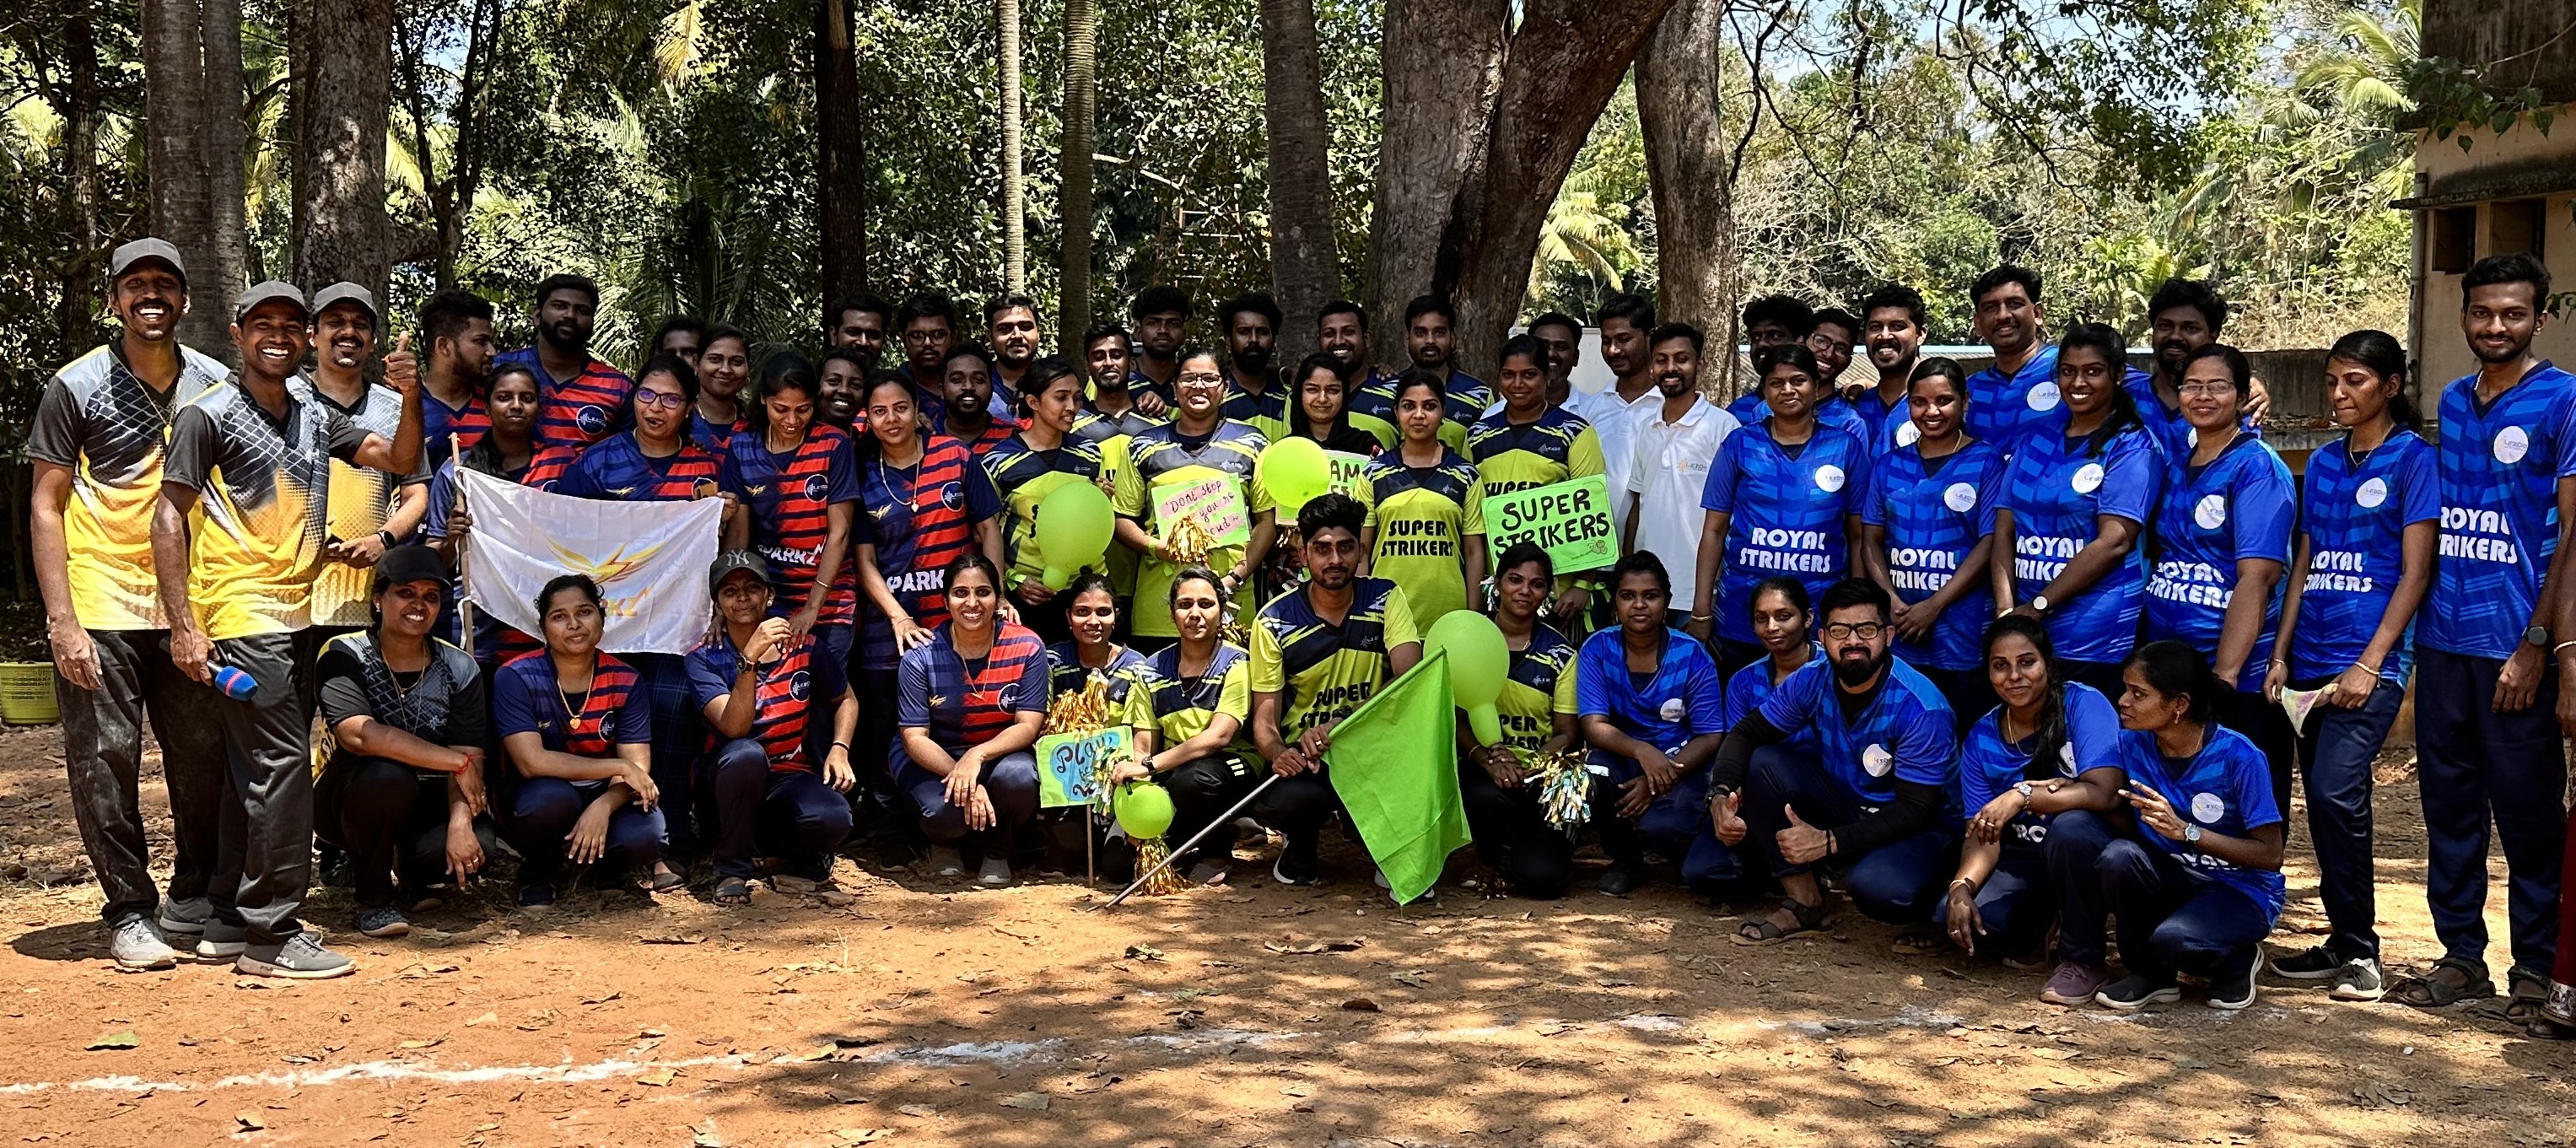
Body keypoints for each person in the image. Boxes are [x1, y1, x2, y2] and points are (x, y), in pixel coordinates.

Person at [153, 279, 423, 978]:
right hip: (245, 612)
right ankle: (273, 934)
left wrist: (411, 390)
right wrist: (184, 626)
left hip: (300, 610)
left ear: (304, 338)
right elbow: (166, 517)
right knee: (282, 770)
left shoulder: (310, 410)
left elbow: (397, 461)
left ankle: (227, 918)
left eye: (290, 325)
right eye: (262, 323)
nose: (278, 334)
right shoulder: (204, 414)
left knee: (258, 771)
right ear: (238, 333)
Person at [29, 237, 232, 969]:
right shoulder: (75, 386)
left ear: (183, 299)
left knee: (203, 757)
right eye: (136, 284)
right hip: (101, 602)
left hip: (191, 604)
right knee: (104, 760)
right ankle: (129, 909)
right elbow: (46, 507)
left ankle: (194, 894)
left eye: (165, 284)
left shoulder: (216, 384)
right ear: (114, 299)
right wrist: (62, 622)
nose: (151, 295)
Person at [2401, 252, 2571, 1017]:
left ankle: (2536, 965)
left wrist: (2539, 644)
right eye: (2481, 313)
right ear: (2465, 316)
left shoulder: (2564, 399)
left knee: (2531, 812)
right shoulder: (2452, 399)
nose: (2494, 326)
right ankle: (2462, 956)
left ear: (2539, 317)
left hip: (2515, 647)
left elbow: (2572, 533)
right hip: (2443, 642)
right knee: (2451, 807)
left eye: (2511, 313)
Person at [2260, 330, 2433, 1002]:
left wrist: (2371, 661)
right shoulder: (2326, 464)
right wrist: (2279, 652)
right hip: (2306, 662)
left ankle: (2363, 951)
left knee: (2336, 791)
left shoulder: (2417, 461)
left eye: (2355, 381)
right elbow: (2302, 564)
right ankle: (2340, 940)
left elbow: (2415, 574)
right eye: (2333, 381)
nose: (2338, 393)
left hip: (2369, 666)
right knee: (2324, 805)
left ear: (2391, 386)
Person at [1707, 579, 1957, 946]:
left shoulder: (1921, 706)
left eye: (1866, 630)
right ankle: (1805, 901)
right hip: (1850, 804)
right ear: (1823, 637)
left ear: (1888, 635)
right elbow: (1746, 734)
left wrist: (1827, 842)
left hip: (1922, 826)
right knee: (1764, 762)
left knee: (1878, 890)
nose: (1853, 641)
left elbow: (1916, 809)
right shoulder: (1812, 678)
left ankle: (1937, 906)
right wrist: (1718, 795)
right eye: (1840, 631)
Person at [554, 354, 725, 878]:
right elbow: (563, 528)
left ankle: (665, 841)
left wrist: (725, 520)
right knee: (610, 731)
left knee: (673, 724)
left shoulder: (705, 467)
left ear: (689, 407)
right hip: (611, 629)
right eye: (647, 395)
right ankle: (600, 846)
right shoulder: (601, 461)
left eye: (672, 398)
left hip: (677, 629)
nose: (657, 408)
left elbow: (725, 543)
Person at [2078, 642, 2285, 1011]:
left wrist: (2187, 832)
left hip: (2238, 890)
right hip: (2173, 875)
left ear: (2179, 705)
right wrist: (2035, 791)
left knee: (2175, 941)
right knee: (2118, 857)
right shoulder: (2131, 743)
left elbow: (2270, 855)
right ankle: (2151, 975)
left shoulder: (2240, 756)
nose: (2123, 701)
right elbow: (2099, 792)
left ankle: (2237, 961)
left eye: (2138, 694)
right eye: (2126, 689)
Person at [2142, 343, 2297, 812]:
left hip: (2234, 681)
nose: (2203, 396)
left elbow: (2257, 577)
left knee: (2244, 804)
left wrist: (2224, 679)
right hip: (2174, 671)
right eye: (2193, 386)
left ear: (2242, 394)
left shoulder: (2256, 467)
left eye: (2218, 386)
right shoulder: (2176, 461)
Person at [311, 547, 492, 939]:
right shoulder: (345, 653)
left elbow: (469, 755)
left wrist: (461, 821)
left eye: (430, 596)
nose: (418, 605)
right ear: (378, 600)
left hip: (429, 796)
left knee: (484, 845)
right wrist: (456, 764)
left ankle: (412, 876)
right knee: (386, 776)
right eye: (405, 593)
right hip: (349, 795)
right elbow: (359, 734)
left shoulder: (459, 666)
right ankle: (372, 900)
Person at [1943, 615, 2125, 1002]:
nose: (2014, 676)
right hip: (2026, 856)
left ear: (2047, 662)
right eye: (2000, 665)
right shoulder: (1982, 736)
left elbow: (2106, 792)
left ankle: (2084, 959)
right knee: (1962, 916)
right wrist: (1961, 886)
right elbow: (1982, 832)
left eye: (2027, 662)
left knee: (2071, 826)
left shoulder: (2083, 703)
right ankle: (2045, 920)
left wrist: (2021, 796)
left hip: (2090, 849)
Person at [1249, 493, 1423, 887]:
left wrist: (1344, 721)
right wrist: (1280, 755)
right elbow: (1265, 721)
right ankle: (1301, 841)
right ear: (1303, 552)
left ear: (1360, 550)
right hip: (1310, 757)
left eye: (1346, 548)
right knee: (1292, 800)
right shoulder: (1273, 620)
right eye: (1322, 549)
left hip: (1374, 754)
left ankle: (1376, 839)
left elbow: (1409, 678)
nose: (1335, 560)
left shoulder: (1385, 596)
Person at [1990, 323, 2161, 698]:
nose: (2078, 382)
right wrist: (2008, 615)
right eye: (2068, 371)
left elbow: (2114, 542)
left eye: (2093, 371)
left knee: (2082, 743)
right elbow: (2004, 527)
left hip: (2094, 634)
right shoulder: (2036, 438)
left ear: (2118, 375)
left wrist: (2038, 606)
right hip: (2026, 634)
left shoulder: (2132, 445)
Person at [853, 373, 1005, 785]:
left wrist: (999, 595)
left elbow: (988, 529)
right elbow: (863, 560)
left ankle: (960, 804)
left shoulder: (954, 455)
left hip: (955, 616)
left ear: (918, 410)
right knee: (886, 719)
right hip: (891, 624)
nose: (892, 419)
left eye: (901, 408)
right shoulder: (862, 473)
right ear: (867, 419)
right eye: (879, 412)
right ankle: (893, 817)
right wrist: (898, 618)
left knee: (953, 710)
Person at [1690, 342, 1870, 676]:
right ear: (1764, 390)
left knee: (1816, 711)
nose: (1787, 390)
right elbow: (1714, 531)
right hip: (1744, 610)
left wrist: (1856, 608)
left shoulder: (1845, 447)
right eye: (1776, 382)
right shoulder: (1740, 444)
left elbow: (1859, 536)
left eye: (1798, 380)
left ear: (1816, 386)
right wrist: (1702, 610)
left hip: (1819, 610)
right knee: (1743, 709)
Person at [688, 552, 858, 905]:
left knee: (834, 817)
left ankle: (780, 856)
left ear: (769, 596)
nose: (742, 597)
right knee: (746, 754)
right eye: (730, 591)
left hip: (787, 777)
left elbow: (846, 699)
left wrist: (839, 748)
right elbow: (735, 728)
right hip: (726, 781)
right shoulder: (703, 657)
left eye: (753, 588)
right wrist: (749, 659)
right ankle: (731, 868)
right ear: (717, 604)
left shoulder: (804, 646)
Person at [493, 574, 667, 906]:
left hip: (604, 793)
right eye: (559, 617)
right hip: (541, 793)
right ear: (544, 627)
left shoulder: (625, 679)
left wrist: (603, 805)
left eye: (584, 612)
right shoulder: (516, 676)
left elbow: (638, 768)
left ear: (601, 616)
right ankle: (538, 872)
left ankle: (606, 868)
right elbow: (532, 762)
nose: (574, 625)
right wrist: (618, 766)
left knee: (649, 833)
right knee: (551, 800)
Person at [1860, 358, 2003, 725]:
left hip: (1963, 634)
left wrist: (1935, 605)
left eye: (1944, 400)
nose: (1931, 411)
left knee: (1961, 730)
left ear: (1965, 402)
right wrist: (1891, 601)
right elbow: (1871, 540)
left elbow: (1990, 541)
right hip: (1901, 628)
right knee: (1902, 732)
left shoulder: (1986, 461)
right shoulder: (1888, 465)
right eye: (1920, 402)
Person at [1575, 552, 1727, 897]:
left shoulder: (1692, 655)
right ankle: (1626, 860)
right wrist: (1641, 751)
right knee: (1592, 776)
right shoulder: (1597, 648)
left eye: (1651, 595)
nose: (1639, 605)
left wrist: (1657, 778)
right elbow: (1593, 726)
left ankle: (1683, 857)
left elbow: (1710, 735)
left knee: (1666, 828)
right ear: (1615, 604)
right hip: (1625, 757)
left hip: (1680, 762)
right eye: (1628, 596)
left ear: (1667, 602)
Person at [892, 552, 1048, 886]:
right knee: (944, 815)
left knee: (1020, 778)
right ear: (946, 600)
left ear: (998, 597)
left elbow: (1028, 725)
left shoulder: (1028, 646)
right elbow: (914, 737)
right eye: (960, 593)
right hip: (935, 755)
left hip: (999, 752)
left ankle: (998, 851)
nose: (972, 602)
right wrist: (962, 775)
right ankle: (945, 844)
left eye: (983, 592)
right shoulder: (921, 655)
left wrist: (977, 756)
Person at [1115, 348, 1275, 651]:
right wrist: (1156, 548)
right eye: (1188, 379)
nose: (1198, 386)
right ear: (1174, 388)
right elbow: (1121, 518)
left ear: (1225, 388)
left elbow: (1267, 522)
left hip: (1231, 606)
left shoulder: (1253, 444)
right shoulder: (1144, 445)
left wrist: (1234, 579)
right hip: (1159, 611)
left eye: (1209, 378)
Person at [297, 283, 432, 637]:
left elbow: (416, 494)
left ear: (373, 340)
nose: (348, 332)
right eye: (335, 322)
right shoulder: (285, 402)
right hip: (289, 598)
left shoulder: (399, 408)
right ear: (312, 335)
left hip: (370, 601)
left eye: (360, 324)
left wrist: (382, 540)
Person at [424, 363, 572, 667]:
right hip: (476, 633)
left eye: (527, 398)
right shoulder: (458, 472)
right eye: (504, 397)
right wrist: (452, 537)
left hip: (543, 633)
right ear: (487, 406)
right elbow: (433, 562)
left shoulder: (561, 465)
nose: (516, 406)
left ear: (538, 406)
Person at [720, 352, 862, 664]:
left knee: (826, 697)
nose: (792, 420)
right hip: (768, 601)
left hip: (829, 604)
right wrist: (724, 604)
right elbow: (739, 537)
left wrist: (812, 609)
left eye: (804, 409)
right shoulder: (743, 448)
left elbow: (840, 533)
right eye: (780, 409)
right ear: (762, 400)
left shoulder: (833, 445)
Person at [1459, 543, 1582, 899]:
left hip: (1540, 773)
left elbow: (1567, 734)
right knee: (1482, 795)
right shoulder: (1469, 639)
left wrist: (1529, 765)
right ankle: (1485, 857)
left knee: (1544, 882)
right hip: (1484, 768)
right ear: (1496, 584)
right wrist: (1487, 760)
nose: (1525, 591)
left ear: (1547, 591)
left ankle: (1527, 848)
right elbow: (1454, 720)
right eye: (1515, 580)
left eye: (1537, 584)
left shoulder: (1561, 655)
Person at [1127, 568, 1261, 884]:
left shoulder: (1237, 663)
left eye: (1206, 604)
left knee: (1194, 779)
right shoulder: (1149, 670)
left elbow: (1219, 737)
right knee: (1120, 865)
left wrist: (1150, 766)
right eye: (1185, 604)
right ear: (1172, 613)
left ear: (1222, 611)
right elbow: (1142, 747)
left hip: (1230, 768)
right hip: (1171, 772)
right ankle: (1223, 827)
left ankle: (1216, 851)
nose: (1195, 614)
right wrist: (1138, 805)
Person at [1469, 334, 1605, 627]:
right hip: (1497, 588)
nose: (1517, 384)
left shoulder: (1575, 433)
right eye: (1508, 375)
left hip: (1558, 590)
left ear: (1547, 375)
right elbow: (1472, 522)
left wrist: (1583, 585)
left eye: (1529, 375)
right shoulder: (1478, 435)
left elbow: (1593, 515)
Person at [984, 358, 1109, 644]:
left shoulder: (1089, 455)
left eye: (1077, 398)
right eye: (1061, 397)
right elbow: (984, 533)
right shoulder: (999, 461)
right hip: (1027, 597)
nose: (1072, 407)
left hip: (1086, 595)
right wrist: (1013, 581)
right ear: (1034, 402)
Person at [1355, 369, 1486, 628]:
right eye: (1408, 406)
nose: (1418, 415)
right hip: (1387, 615)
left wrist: (1474, 616)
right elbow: (1363, 551)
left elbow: (1473, 552)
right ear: (1396, 413)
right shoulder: (1373, 473)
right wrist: (1363, 611)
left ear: (1443, 412)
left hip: (1450, 616)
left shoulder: (1466, 475)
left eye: (1429, 406)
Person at [1621, 322, 1740, 604]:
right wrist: (1625, 575)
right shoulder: (1646, 428)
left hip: (1698, 593)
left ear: (1700, 364)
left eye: (1682, 359)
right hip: (1648, 592)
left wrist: (1708, 597)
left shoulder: (1724, 429)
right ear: (1651, 367)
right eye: (1662, 360)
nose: (1671, 368)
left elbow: (1733, 519)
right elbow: (1637, 504)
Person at [1039, 573, 1153, 865]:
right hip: (1065, 779)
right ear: (1068, 616)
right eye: (1082, 612)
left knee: (1115, 863)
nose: (1093, 621)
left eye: (1103, 612)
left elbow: (1141, 739)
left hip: (1117, 779)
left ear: (1116, 616)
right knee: (1071, 839)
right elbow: (1040, 727)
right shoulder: (1052, 661)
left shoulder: (1137, 666)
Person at [496, 273, 633, 450]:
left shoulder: (619, 388)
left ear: (592, 322)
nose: (570, 315)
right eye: (560, 306)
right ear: (537, 316)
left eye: (582, 310)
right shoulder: (497, 369)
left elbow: (627, 458)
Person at [2136, 279, 2270, 460]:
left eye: (2190, 328)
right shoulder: (2122, 398)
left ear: (2212, 336)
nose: (2175, 335)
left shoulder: (2230, 407)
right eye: (2165, 326)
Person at [1582, 294, 1664, 545]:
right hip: (1595, 558)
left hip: (1654, 558)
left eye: (1624, 339)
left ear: (1650, 336)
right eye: (1606, 341)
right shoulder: (1588, 411)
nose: (1613, 350)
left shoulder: (1670, 409)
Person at [1960, 265, 2060, 448]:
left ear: (2037, 314)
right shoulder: (1967, 392)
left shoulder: (2070, 370)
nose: (2003, 315)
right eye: (1990, 308)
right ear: (1978, 324)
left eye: (2015, 304)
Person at [418, 288, 496, 471]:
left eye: (491, 342)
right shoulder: (403, 406)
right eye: (480, 341)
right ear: (444, 346)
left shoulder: (496, 405)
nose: (492, 352)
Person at [1398, 295, 1491, 449]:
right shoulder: (1389, 389)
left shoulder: (1478, 394)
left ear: (1452, 338)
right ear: (1407, 339)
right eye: (1421, 333)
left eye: (1439, 333)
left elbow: (1487, 453)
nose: (1430, 341)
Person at [1852, 284, 1928, 457]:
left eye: (1897, 326)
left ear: (1921, 334)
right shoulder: (1856, 407)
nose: (1885, 336)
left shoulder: (1941, 407)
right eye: (1875, 327)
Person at [1315, 300, 1398, 447]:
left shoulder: (1397, 389)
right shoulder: (1305, 394)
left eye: (1349, 332)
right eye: (1329, 334)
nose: (1339, 341)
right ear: (1318, 341)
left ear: (1367, 339)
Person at [1218, 293, 1291, 440]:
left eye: (1262, 332)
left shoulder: (1289, 394)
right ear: (1228, 340)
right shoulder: (1214, 396)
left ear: (1274, 340)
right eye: (1244, 332)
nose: (1254, 340)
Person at [1285, 351, 1385, 456]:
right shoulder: (1285, 449)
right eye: (1312, 390)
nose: (1322, 399)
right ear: (1299, 393)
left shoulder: (1366, 447)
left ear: (1345, 394)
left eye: (1332, 390)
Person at [930, 343, 1020, 458]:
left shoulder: (1015, 439)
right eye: (957, 379)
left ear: (992, 389)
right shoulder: (924, 438)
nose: (968, 387)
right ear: (941, 390)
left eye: (978, 380)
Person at [690, 325, 752, 455]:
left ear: (748, 368)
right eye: (715, 360)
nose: (725, 370)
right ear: (696, 363)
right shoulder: (677, 421)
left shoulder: (759, 426)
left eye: (736, 362)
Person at [1128, 285, 1190, 412]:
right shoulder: (1119, 381)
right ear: (1138, 332)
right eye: (1153, 323)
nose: (1163, 331)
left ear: (1184, 334)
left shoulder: (1193, 384)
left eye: (1173, 324)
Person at [894, 292, 961, 407]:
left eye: (938, 335)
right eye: (917, 336)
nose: (928, 343)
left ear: (953, 337)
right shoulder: (892, 389)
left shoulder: (970, 385)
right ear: (903, 340)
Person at [985, 292, 1043, 412]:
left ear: (1038, 333)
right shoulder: (979, 387)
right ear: (990, 337)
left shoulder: (1055, 384)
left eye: (1026, 327)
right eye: (1005, 329)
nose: (1017, 335)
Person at [1525, 310, 1583, 412]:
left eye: (1561, 347)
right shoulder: (1496, 415)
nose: (1551, 354)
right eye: (1543, 346)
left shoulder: (1595, 413)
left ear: (1575, 357)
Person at [825, 291, 893, 369]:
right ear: (834, 335)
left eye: (873, 336)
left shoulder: (893, 381)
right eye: (853, 333)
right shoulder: (812, 380)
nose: (863, 343)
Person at [817, 346, 868, 431]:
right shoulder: (794, 438)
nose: (844, 391)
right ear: (817, 386)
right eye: (834, 381)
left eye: (855, 385)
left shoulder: (868, 442)